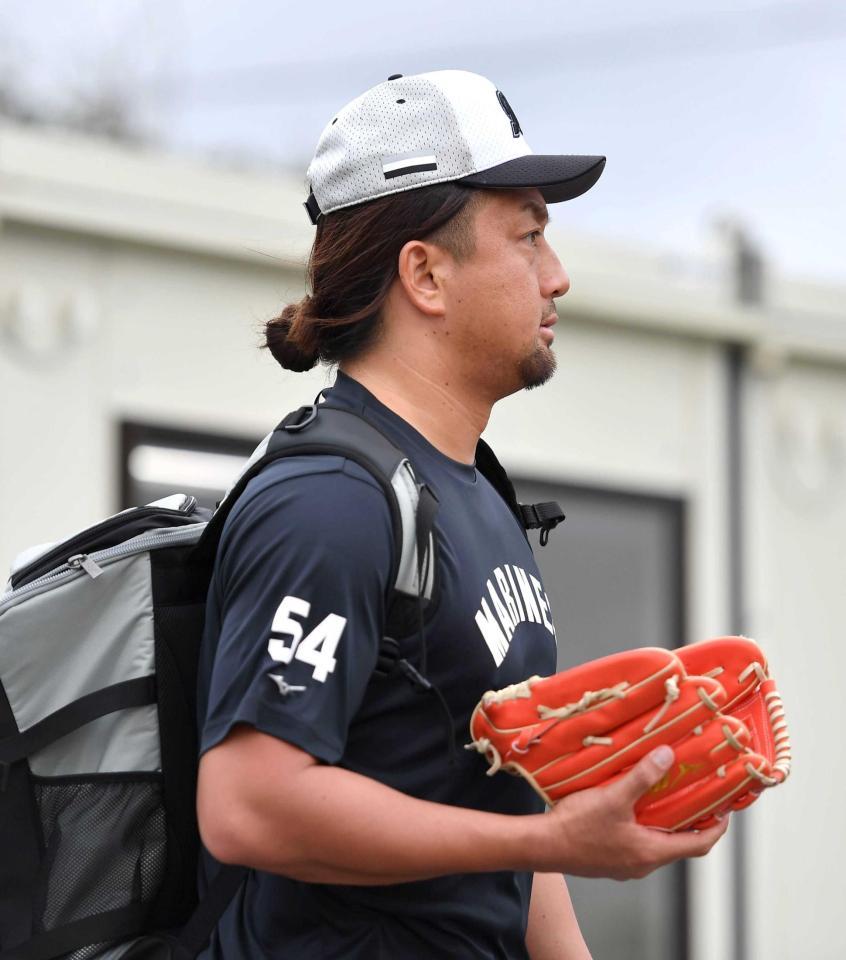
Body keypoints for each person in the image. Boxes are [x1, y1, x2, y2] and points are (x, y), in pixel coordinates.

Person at [195, 69, 729, 960]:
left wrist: (548, 849)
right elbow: (247, 805)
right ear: (427, 274)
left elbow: (507, 802)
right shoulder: (331, 501)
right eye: (528, 236)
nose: (558, 277)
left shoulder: (474, 489)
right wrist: (554, 840)